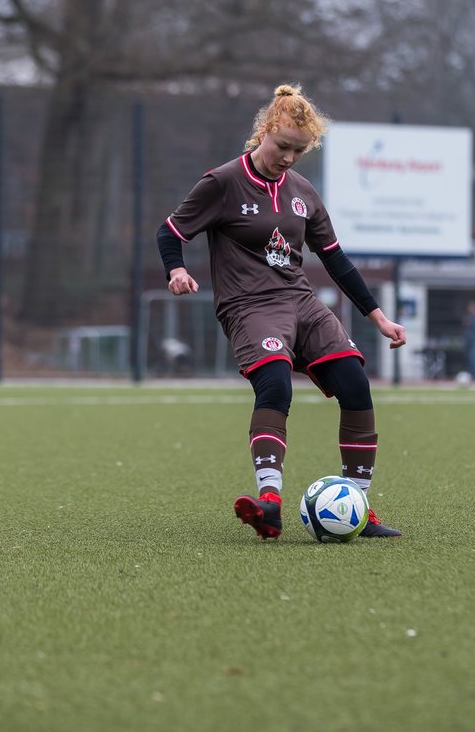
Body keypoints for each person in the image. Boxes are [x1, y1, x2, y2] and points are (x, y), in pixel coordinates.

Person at [157, 84, 407, 540]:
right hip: (249, 305)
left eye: (299, 150)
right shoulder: (223, 182)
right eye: (283, 146)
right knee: (275, 385)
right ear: (265, 131)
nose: (289, 158)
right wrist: (176, 270)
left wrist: (378, 318)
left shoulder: (303, 191)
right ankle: (269, 502)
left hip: (301, 301)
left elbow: (335, 259)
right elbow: (169, 232)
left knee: (355, 382)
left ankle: (359, 508)